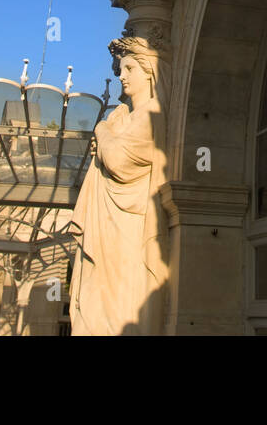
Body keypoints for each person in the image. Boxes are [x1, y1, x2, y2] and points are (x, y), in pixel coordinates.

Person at [68, 35, 170, 335]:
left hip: (130, 227)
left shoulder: (152, 114)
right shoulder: (123, 115)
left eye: (129, 69)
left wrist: (101, 131)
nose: (121, 76)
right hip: (109, 224)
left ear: (149, 71)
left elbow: (118, 161)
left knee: (119, 298)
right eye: (120, 69)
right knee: (95, 293)